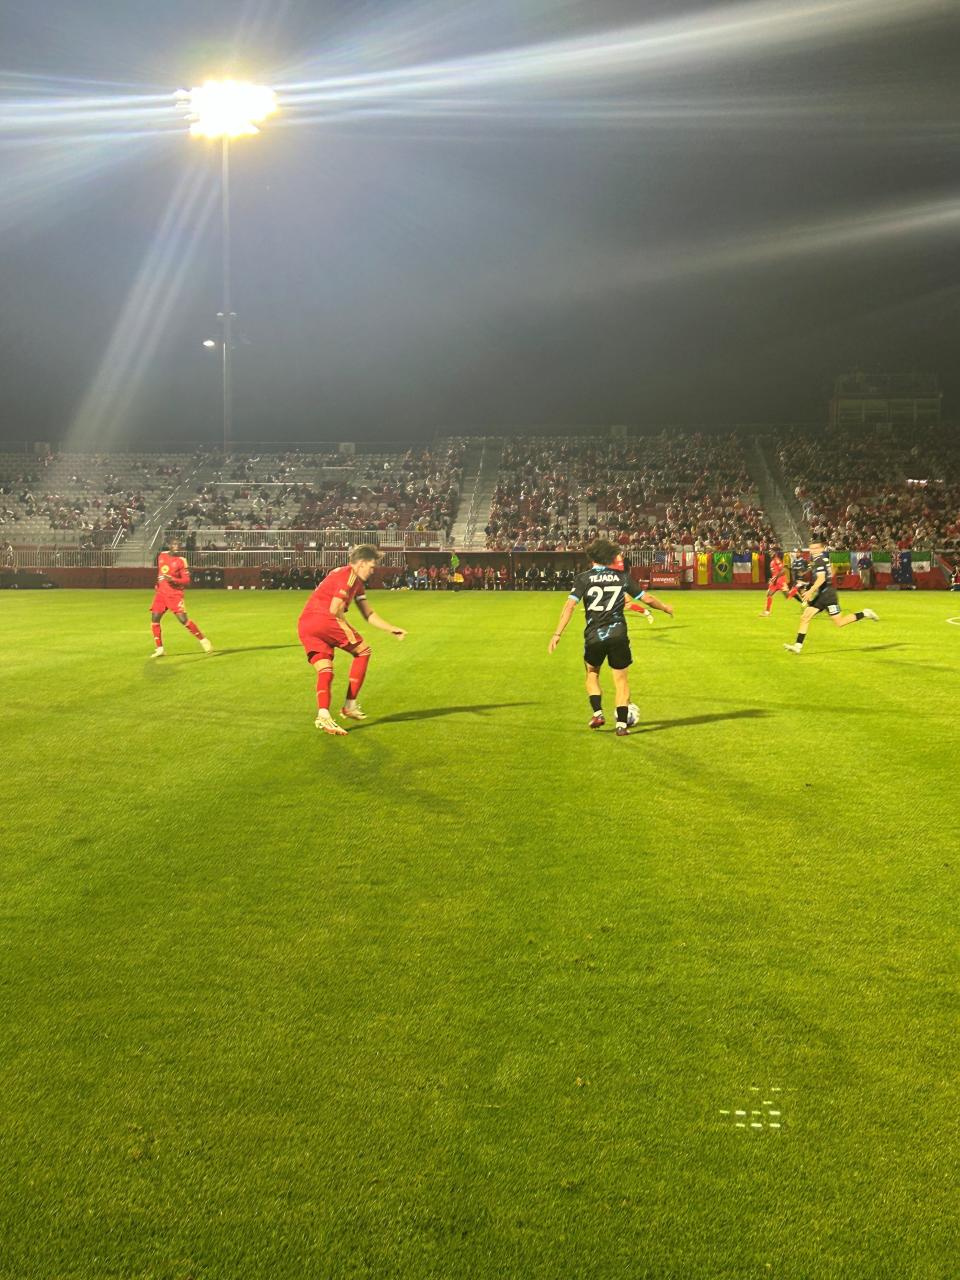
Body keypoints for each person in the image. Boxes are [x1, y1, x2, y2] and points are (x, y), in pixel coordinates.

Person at [548, 538, 674, 736]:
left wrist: (557, 633)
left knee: (592, 673)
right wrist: (665, 607)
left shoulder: (583, 578)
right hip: (618, 634)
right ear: (608, 557)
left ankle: (598, 713)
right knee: (621, 680)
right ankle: (622, 726)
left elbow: (569, 606)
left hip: (594, 635)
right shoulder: (621, 577)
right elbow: (646, 598)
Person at [297, 543, 407, 735]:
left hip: (305, 624)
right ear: (362, 563)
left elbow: (368, 614)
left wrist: (391, 628)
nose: (373, 571)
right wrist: (343, 627)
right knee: (363, 651)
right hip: (324, 619)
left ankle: (323, 715)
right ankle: (349, 705)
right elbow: (334, 608)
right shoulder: (349, 576)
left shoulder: (353, 581)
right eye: (372, 566)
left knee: (325, 670)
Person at [783, 537, 878, 654]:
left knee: (839, 622)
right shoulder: (821, 559)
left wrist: (810, 591)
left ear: (822, 548)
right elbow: (831, 570)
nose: (813, 550)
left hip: (828, 596)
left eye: (816, 548)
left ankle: (865, 613)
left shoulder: (819, 560)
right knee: (806, 616)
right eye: (811, 548)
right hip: (824, 594)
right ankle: (797, 646)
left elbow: (822, 578)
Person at [149, 538, 212, 656]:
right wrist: (158, 584)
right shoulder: (161, 556)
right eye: (174, 544)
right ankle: (160, 648)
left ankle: (203, 640)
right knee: (155, 619)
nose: (176, 546)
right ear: (169, 545)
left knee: (183, 620)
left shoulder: (181, 561)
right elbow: (160, 572)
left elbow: (187, 580)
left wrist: (172, 579)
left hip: (174, 594)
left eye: (178, 544)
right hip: (161, 594)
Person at [611, 552, 653, 624]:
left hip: (619, 585)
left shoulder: (618, 564)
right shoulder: (617, 563)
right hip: (616, 585)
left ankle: (646, 612)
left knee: (627, 604)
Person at [760, 549, 789, 616]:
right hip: (775, 581)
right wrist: (772, 578)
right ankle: (767, 612)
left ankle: (796, 588)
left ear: (775, 553)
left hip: (780, 581)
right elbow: (774, 573)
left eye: (772, 552)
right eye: (769, 552)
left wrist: (776, 578)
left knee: (787, 596)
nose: (771, 553)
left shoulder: (777, 560)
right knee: (769, 594)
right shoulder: (771, 562)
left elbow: (783, 570)